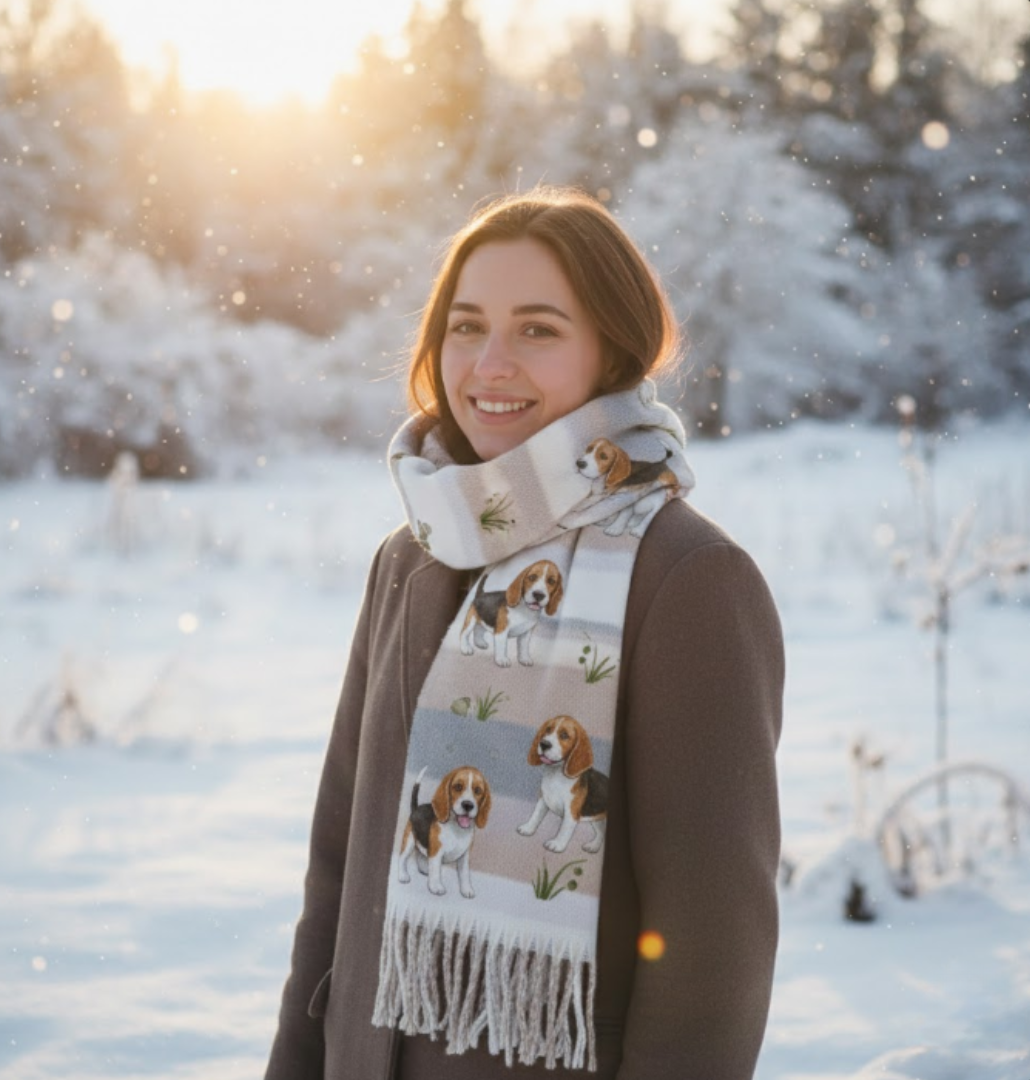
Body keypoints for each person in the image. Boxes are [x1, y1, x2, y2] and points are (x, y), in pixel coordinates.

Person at [265, 186, 783, 1080]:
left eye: (537, 330)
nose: (489, 365)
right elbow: (339, 869)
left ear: (611, 352)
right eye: (466, 327)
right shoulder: (414, 557)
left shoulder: (687, 581)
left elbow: (713, 947)